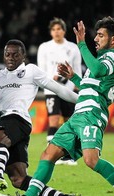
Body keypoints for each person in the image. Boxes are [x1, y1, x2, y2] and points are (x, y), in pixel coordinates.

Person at [0, 17, 114, 196]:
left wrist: (81, 44)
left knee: (91, 160)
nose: (96, 39)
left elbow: (98, 70)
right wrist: (73, 77)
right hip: (78, 115)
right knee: (48, 154)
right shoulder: (102, 59)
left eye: (101, 35)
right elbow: (90, 86)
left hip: (92, 114)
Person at [0, 39, 81, 196]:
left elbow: (59, 89)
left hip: (18, 119)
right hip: (7, 124)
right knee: (18, 179)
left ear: (23, 56)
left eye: (15, 54)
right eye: (7, 54)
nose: (10, 58)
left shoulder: (31, 71)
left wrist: (82, 101)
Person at [37, 17, 82, 166]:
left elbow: (77, 67)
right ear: (51, 32)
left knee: (70, 122)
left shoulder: (72, 48)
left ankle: (69, 156)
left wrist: (78, 86)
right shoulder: (44, 47)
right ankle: (51, 155)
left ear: (64, 31)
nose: (56, 32)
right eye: (54, 29)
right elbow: (41, 69)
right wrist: (52, 79)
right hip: (51, 89)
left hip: (68, 90)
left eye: (59, 29)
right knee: (54, 120)